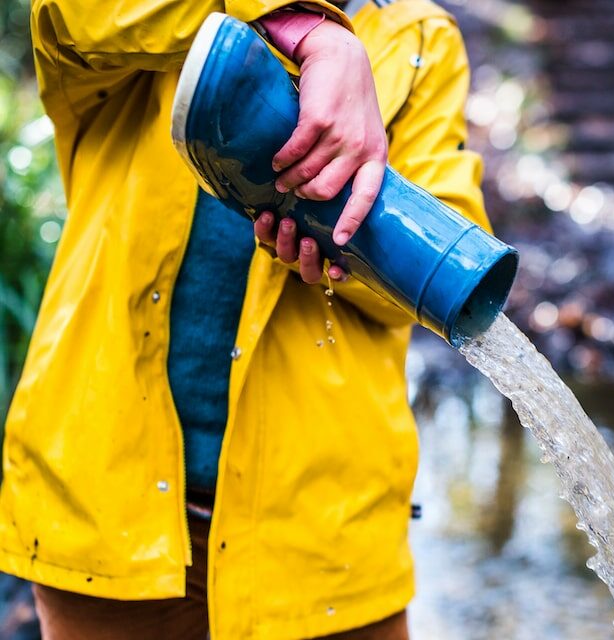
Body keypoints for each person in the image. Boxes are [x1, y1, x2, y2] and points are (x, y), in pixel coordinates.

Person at [0, 0, 492, 638]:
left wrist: (337, 221)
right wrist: (306, 28)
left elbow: (445, 271)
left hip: (324, 547)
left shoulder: (417, 35)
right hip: (106, 525)